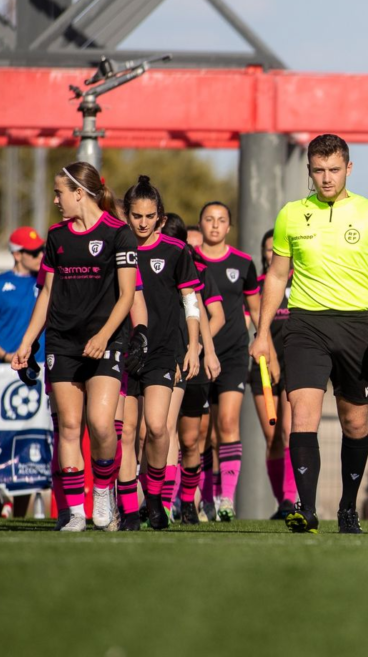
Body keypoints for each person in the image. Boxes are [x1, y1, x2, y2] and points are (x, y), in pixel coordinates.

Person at [251, 133, 368, 535]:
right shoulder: (291, 214)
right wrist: (263, 333)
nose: (326, 178)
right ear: (309, 171)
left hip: (357, 325)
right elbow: (277, 275)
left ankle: (348, 508)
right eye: (318, 170)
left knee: (355, 424)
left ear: (348, 168)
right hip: (305, 325)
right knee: (302, 415)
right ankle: (305, 506)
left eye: (334, 169)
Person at [12, 162, 140, 532]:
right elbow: (47, 293)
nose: (56, 200)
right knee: (68, 426)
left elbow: (128, 295)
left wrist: (103, 337)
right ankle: (75, 513)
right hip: (62, 342)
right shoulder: (56, 236)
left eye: (59, 193)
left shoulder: (120, 234)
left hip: (106, 341)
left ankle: (103, 492)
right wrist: (27, 342)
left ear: (79, 193)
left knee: (101, 425)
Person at [123, 177, 202, 529]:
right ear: (126, 214)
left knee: (156, 428)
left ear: (160, 216)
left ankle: (154, 496)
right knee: (125, 433)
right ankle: (128, 510)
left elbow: (190, 301)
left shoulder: (175, 251)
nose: (142, 222)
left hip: (163, 350)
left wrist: (195, 345)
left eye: (149, 216)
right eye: (136, 215)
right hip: (123, 349)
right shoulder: (117, 246)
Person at [196, 201, 260, 521]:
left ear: (229, 227)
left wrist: (261, 341)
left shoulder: (244, 263)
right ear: (201, 224)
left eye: (222, 220)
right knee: (201, 431)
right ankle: (205, 497)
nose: (215, 225)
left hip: (233, 354)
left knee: (228, 424)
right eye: (209, 219)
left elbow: (255, 307)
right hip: (196, 354)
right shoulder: (189, 261)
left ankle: (226, 499)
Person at [0, 225, 45, 517]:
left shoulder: (46, 284)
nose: (40, 255)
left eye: (42, 250)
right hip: (3, 375)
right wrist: (6, 356)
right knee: (2, 443)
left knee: (33, 442)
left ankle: (22, 514)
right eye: (33, 252)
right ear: (17, 254)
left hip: (38, 374)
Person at [161, 214, 223, 525]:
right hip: (161, 358)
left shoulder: (193, 271)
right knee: (159, 431)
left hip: (189, 361)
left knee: (191, 440)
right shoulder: (144, 263)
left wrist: (202, 349)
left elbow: (207, 314)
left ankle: (186, 501)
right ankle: (163, 501)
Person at [250, 229, 298, 519]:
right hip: (262, 368)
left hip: (294, 363)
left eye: (276, 249)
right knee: (272, 438)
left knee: (290, 432)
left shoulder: (300, 283)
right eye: (268, 249)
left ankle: (291, 500)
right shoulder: (255, 286)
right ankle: (282, 502)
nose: (272, 254)